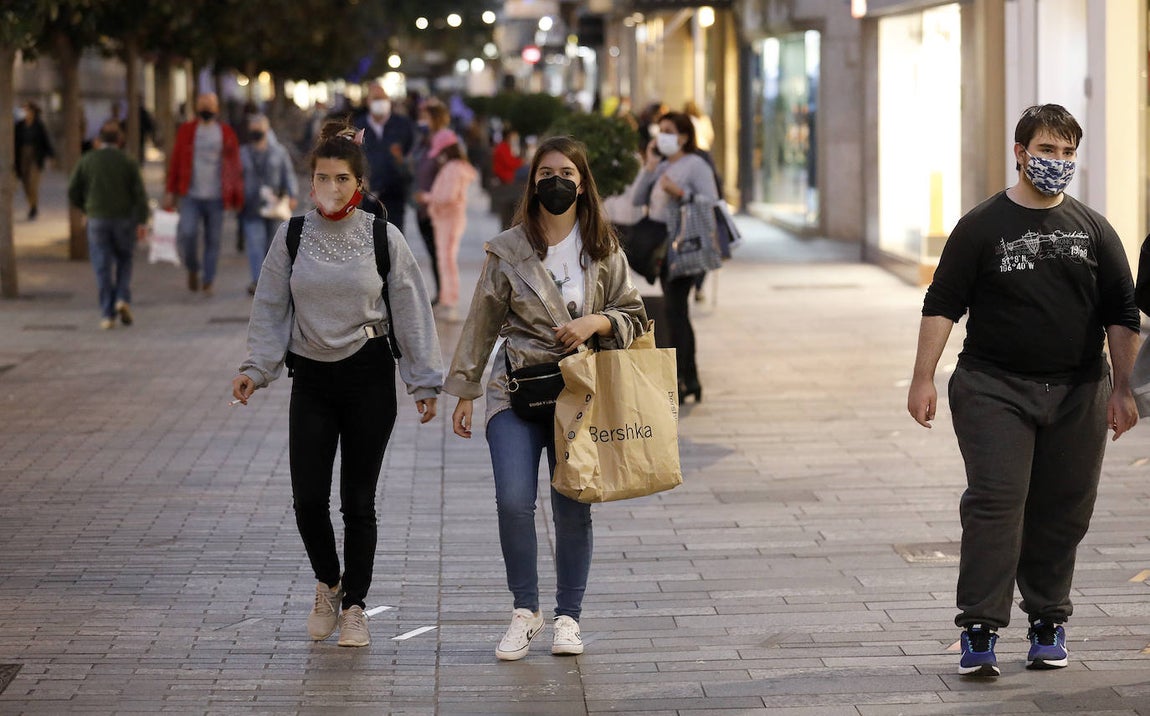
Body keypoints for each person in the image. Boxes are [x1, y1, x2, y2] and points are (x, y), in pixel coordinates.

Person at [906, 104, 1140, 678]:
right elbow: (942, 303)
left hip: (1079, 390)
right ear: (1020, 152)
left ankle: (1047, 620)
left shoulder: (1093, 228)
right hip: (993, 387)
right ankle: (979, 629)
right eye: (1046, 150)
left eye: (1066, 153)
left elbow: (1123, 311)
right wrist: (922, 377)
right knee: (996, 503)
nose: (1057, 162)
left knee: (1063, 510)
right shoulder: (982, 225)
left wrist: (1124, 388)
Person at [231, 120, 444, 648]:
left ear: (359, 183)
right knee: (307, 499)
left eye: (341, 178)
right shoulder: (293, 234)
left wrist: (424, 381)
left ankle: (355, 607)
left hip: (368, 375)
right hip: (312, 378)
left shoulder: (381, 235)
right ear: (311, 182)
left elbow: (411, 308)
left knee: (357, 502)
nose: (331, 187)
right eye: (322, 178)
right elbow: (271, 305)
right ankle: (328, 583)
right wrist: (255, 369)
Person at [444, 136, 647, 661]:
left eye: (566, 173)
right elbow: (482, 322)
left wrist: (595, 320)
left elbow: (634, 313)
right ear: (532, 182)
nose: (555, 181)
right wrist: (465, 391)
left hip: (579, 394)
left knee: (572, 506)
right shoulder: (508, 249)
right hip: (513, 390)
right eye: (545, 173)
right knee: (514, 500)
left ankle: (568, 618)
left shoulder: (602, 249)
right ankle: (524, 611)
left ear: (583, 184)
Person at [630, 111, 718, 404]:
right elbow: (637, 199)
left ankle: (684, 378)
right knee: (675, 312)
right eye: (660, 130)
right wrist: (650, 166)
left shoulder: (696, 165)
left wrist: (678, 192)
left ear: (682, 136)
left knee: (675, 310)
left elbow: (711, 202)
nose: (661, 135)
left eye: (668, 130)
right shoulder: (662, 164)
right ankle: (688, 378)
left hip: (683, 247)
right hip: (662, 247)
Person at [67, 121, 149, 330]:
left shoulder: (87, 160)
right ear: (120, 141)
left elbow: (73, 190)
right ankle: (122, 297)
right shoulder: (128, 161)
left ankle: (107, 313)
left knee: (102, 265)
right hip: (123, 219)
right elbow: (139, 195)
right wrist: (142, 220)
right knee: (124, 259)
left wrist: (86, 207)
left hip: (97, 218)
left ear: (98, 140)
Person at [163, 92, 244, 295]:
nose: (206, 108)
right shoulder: (187, 130)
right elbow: (176, 161)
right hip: (190, 194)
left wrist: (236, 195)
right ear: (197, 107)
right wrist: (170, 190)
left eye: (210, 105)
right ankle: (192, 268)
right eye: (203, 104)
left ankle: (208, 280)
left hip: (217, 196)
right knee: (187, 234)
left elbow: (234, 166)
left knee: (213, 240)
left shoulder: (226, 132)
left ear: (217, 108)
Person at [416, 129, 477, 323]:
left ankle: (450, 301)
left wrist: (427, 198)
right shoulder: (456, 166)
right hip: (448, 218)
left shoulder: (452, 168)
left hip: (448, 219)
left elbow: (447, 196)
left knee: (446, 260)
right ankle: (447, 298)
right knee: (445, 259)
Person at [239, 114, 299, 294]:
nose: (256, 131)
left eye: (260, 128)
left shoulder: (278, 152)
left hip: (275, 205)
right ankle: (258, 281)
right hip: (251, 205)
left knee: (273, 245)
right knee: (255, 243)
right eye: (253, 128)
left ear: (267, 129)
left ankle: (274, 281)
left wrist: (292, 194)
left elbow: (288, 173)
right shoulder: (242, 152)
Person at [355, 82, 415, 231]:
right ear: (367, 101)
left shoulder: (403, 124)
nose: (380, 102)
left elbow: (412, 153)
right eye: (376, 98)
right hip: (367, 194)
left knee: (393, 237)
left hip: (394, 192)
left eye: (383, 98)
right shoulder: (358, 126)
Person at [410, 100, 452, 302]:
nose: (422, 120)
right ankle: (441, 292)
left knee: (440, 253)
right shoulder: (425, 140)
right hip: (422, 207)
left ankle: (445, 295)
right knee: (433, 252)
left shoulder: (445, 142)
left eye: (425, 116)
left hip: (438, 208)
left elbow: (450, 173)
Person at [14, 101, 55, 220]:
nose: (25, 113)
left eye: (27, 110)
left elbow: (45, 140)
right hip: (22, 156)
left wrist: (51, 155)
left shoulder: (38, 125)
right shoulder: (19, 126)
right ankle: (32, 205)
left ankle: (34, 206)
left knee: (33, 182)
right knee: (25, 183)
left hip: (35, 156)